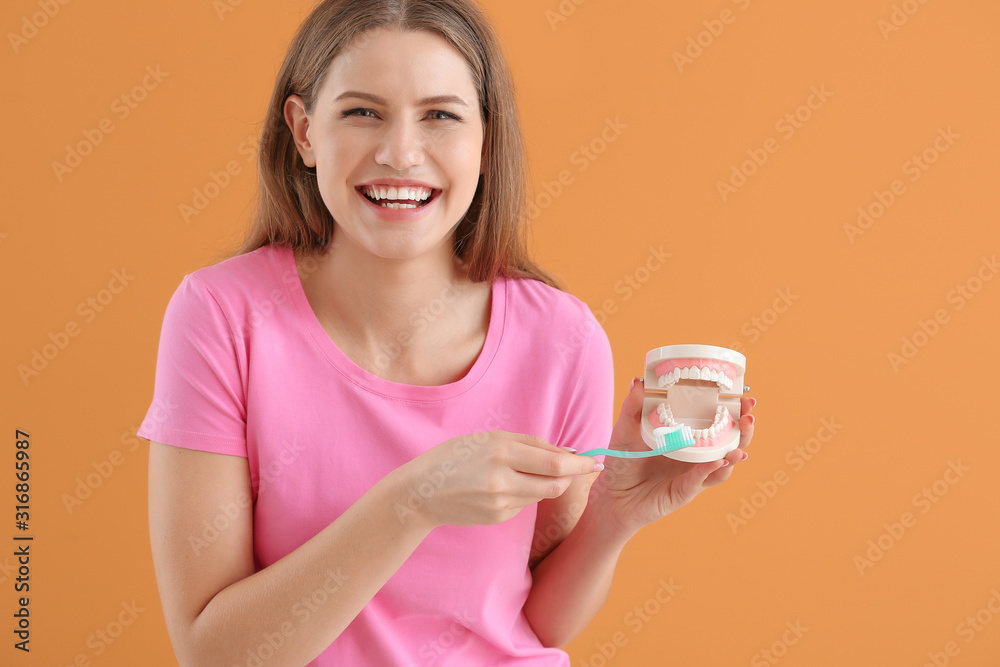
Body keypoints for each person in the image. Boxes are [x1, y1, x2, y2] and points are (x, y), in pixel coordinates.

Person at [138, 1, 757, 665]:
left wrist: (615, 517)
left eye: (440, 115)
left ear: (487, 141)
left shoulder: (562, 338)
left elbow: (534, 623)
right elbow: (212, 653)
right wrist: (411, 502)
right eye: (361, 111)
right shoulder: (221, 316)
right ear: (304, 130)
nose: (400, 152)